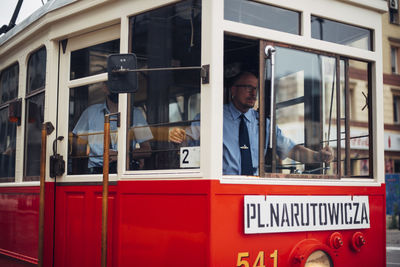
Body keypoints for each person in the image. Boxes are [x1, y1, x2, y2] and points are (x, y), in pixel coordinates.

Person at [169, 71, 333, 175]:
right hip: (222, 186)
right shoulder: (212, 117)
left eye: (256, 89)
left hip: (254, 188)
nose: (253, 93)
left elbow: (292, 150)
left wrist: (319, 156)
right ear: (233, 90)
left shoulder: (264, 124)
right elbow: (186, 141)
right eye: (248, 87)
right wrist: (178, 136)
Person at [72, 82, 153, 174]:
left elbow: (147, 150)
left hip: (125, 171)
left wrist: (124, 155)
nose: (118, 89)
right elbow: (77, 147)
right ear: (105, 88)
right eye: (115, 86)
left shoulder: (136, 114)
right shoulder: (90, 113)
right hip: (96, 173)